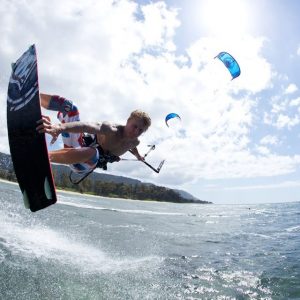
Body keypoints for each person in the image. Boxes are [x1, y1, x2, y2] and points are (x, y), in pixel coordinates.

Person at [36, 93, 151, 175]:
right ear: (127, 121)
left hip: (83, 165)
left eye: (141, 130)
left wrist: (138, 156)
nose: (136, 132)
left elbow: (133, 146)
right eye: (134, 126)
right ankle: (33, 98)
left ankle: (43, 156)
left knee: (92, 153)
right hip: (76, 146)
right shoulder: (111, 129)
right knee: (70, 107)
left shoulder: (135, 141)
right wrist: (59, 128)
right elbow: (86, 126)